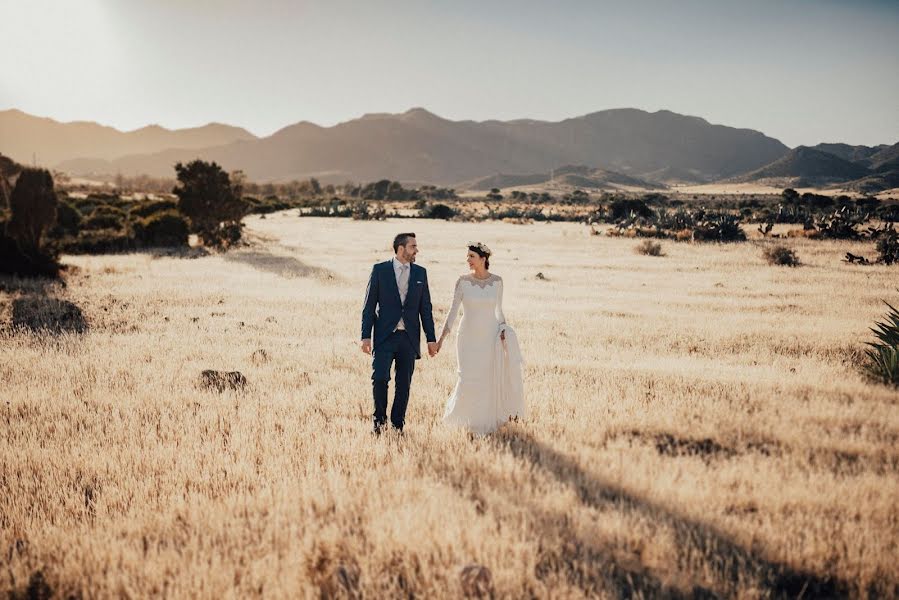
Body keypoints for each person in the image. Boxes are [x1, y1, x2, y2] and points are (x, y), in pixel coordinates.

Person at [437, 242, 524, 435]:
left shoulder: (498, 282)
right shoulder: (462, 282)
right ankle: (463, 419)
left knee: (487, 377)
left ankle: (485, 420)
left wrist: (503, 330)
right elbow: (452, 312)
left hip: (490, 336)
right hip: (467, 337)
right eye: (467, 256)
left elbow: (499, 311)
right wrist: (440, 339)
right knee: (467, 377)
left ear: (483, 259)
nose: (467, 260)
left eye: (471, 257)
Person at [360, 232, 438, 434]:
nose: (416, 250)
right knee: (379, 378)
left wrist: (431, 339)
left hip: (409, 338)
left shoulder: (421, 273)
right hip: (385, 336)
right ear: (401, 248)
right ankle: (379, 423)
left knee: (404, 384)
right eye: (413, 246)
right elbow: (369, 305)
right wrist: (365, 336)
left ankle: (397, 425)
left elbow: (425, 308)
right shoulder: (380, 270)